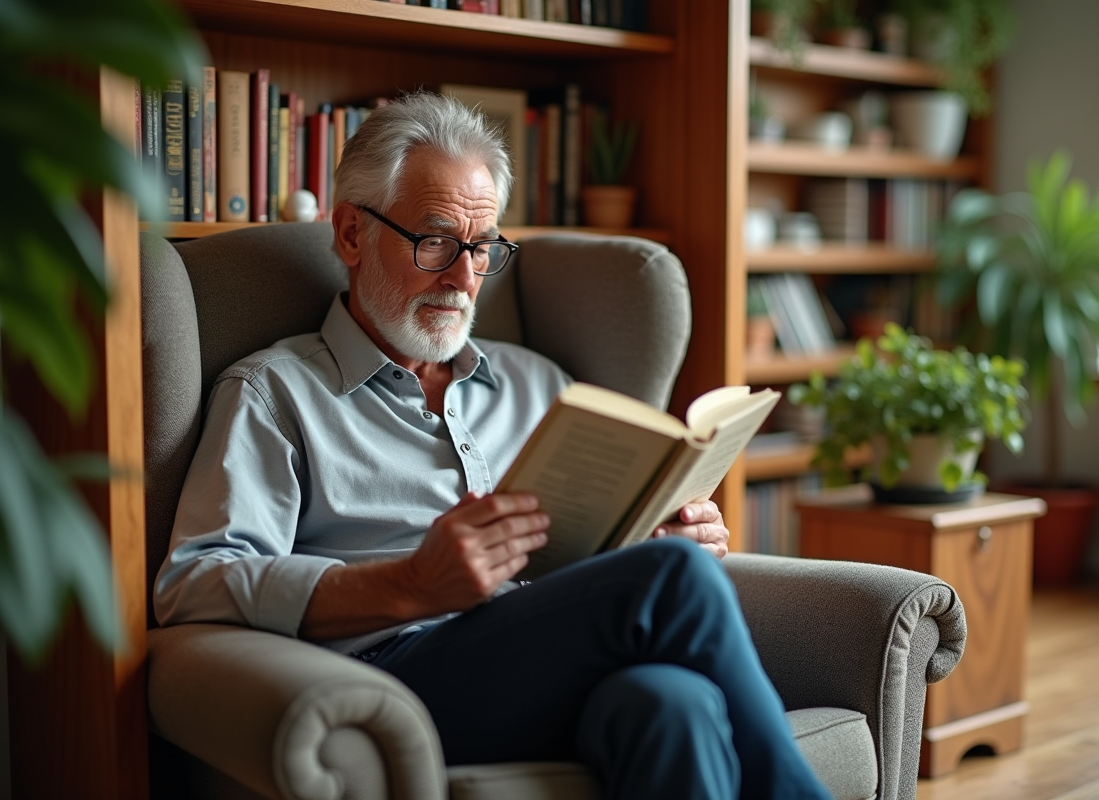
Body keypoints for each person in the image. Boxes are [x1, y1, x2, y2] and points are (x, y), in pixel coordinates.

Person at [155, 92, 833, 800]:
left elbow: (591, 563)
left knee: (672, 705)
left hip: (545, 661)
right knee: (672, 580)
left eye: (481, 248)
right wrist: (409, 583)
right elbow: (193, 584)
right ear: (352, 234)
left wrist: (660, 530)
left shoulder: (541, 384)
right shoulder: (276, 394)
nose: (464, 277)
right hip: (395, 674)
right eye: (437, 240)